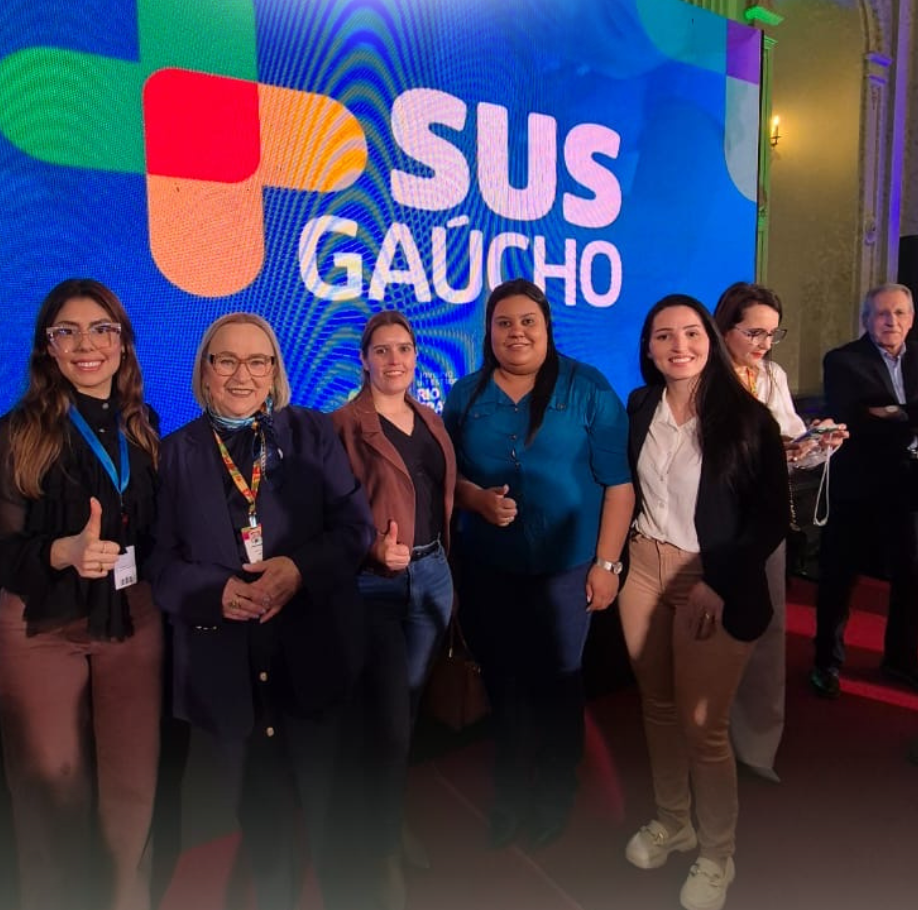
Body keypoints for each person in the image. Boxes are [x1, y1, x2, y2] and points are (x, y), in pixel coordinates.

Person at [149, 313, 374, 910]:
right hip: (230, 675)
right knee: (265, 834)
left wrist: (298, 570)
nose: (241, 375)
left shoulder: (311, 432)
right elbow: (160, 565)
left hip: (313, 660)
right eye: (226, 360)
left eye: (257, 361)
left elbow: (355, 529)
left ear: (275, 372)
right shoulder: (174, 455)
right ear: (204, 371)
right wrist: (213, 591)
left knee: (337, 832)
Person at [0, 278, 162, 910]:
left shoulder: (143, 426)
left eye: (101, 330)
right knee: (50, 800)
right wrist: (64, 551)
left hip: (132, 617)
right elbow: (4, 554)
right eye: (68, 332)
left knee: (133, 795)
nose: (87, 345)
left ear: (122, 342)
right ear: (48, 347)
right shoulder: (15, 434)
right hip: (41, 624)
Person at [442, 278, 634, 851]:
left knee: (558, 685)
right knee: (504, 684)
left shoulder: (588, 387)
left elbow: (619, 486)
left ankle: (554, 792)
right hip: (489, 570)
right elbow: (448, 479)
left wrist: (607, 566)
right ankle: (510, 793)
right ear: (489, 332)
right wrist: (476, 500)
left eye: (528, 321)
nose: (516, 332)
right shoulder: (466, 395)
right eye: (504, 323)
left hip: (568, 571)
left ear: (547, 327)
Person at [620, 295, 788, 910]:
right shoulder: (641, 406)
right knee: (658, 707)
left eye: (691, 333)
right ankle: (675, 821)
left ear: (710, 340)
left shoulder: (748, 418)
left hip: (712, 579)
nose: (679, 346)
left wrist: (720, 578)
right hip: (644, 567)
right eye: (663, 335)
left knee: (703, 726)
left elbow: (771, 517)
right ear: (648, 347)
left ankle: (718, 854)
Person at [331, 311, 456, 909]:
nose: (394, 360)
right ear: (364, 360)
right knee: (385, 719)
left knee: (405, 710)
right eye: (381, 350)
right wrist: (369, 549)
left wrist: (481, 501)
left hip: (434, 578)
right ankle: (380, 851)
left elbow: (433, 490)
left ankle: (388, 820)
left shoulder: (429, 417)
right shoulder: (342, 426)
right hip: (375, 586)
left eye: (403, 348)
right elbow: (325, 512)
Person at [713, 282, 846, 779]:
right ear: (724, 328)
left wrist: (817, 445)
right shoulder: (702, 376)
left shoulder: (772, 376)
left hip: (763, 522)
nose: (764, 344)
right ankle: (707, 741)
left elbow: (790, 445)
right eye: (754, 333)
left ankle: (756, 748)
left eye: (772, 334)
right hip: (707, 523)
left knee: (766, 631)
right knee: (710, 633)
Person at [813, 283, 918, 697]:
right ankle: (826, 663)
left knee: (910, 576)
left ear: (911, 318)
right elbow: (855, 418)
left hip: (907, 486)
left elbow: (883, 416)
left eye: (900, 313)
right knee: (839, 577)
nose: (892, 321)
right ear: (866, 320)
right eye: (882, 313)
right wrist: (907, 417)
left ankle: (899, 660)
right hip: (856, 485)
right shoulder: (843, 360)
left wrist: (894, 413)